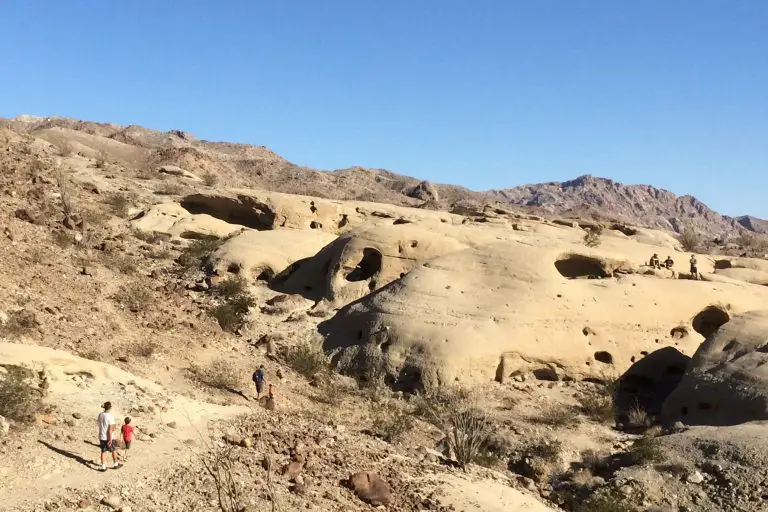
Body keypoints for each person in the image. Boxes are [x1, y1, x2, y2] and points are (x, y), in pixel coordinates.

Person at [97, 402, 121, 471]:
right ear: (110, 408)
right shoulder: (110, 416)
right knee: (113, 450)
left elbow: (99, 423)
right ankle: (116, 464)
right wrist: (110, 439)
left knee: (103, 451)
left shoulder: (100, 414)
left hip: (102, 436)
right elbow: (110, 429)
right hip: (109, 437)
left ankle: (103, 467)